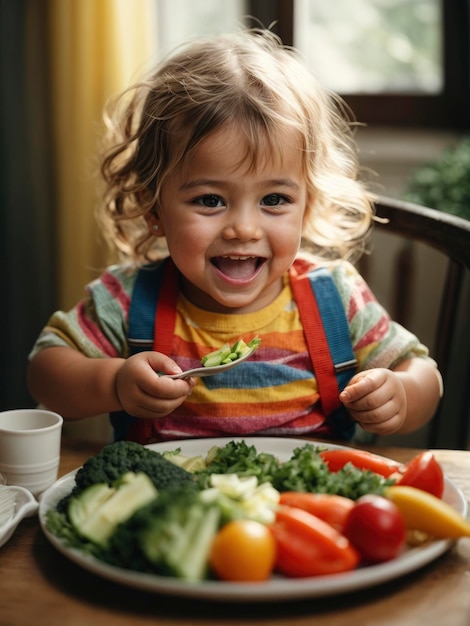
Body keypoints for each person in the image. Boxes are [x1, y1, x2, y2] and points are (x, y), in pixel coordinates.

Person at [27, 29, 442, 444]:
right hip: (177, 506)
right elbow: (45, 372)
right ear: (154, 207)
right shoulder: (127, 299)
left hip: (310, 507)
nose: (243, 228)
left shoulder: (336, 298)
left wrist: (401, 394)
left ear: (308, 206)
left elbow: (421, 372)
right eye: (210, 200)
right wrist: (113, 382)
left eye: (274, 198)